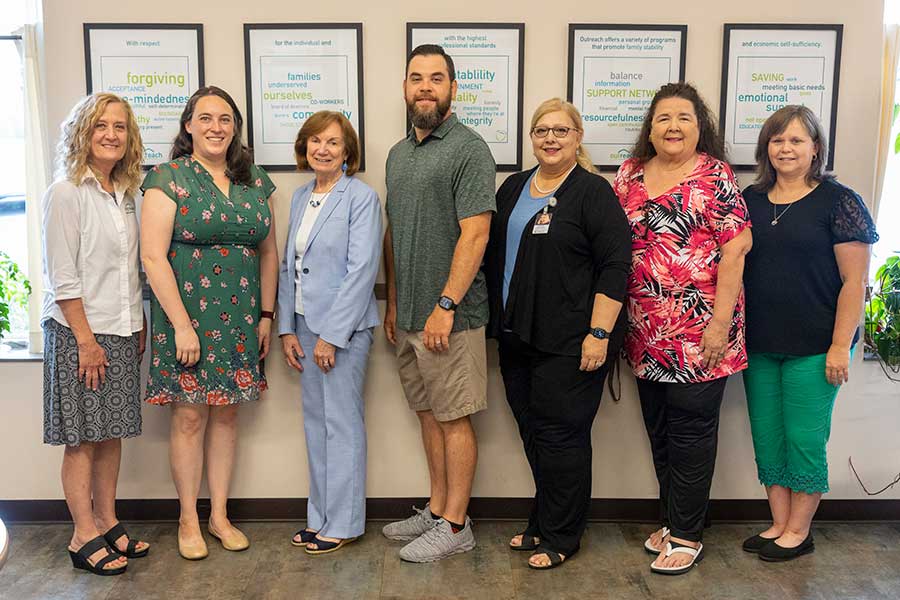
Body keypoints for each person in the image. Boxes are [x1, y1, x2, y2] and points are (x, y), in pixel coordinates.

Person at [483, 98, 631, 569]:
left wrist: (599, 333)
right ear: (531, 138)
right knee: (534, 434)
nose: (550, 138)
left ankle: (563, 535)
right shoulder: (513, 187)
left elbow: (616, 265)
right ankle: (543, 521)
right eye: (542, 130)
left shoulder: (592, 192)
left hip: (572, 341)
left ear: (577, 137)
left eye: (561, 130)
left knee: (562, 438)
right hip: (517, 337)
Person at [613, 82, 752, 575]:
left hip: (701, 332)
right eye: (664, 118)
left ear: (700, 127)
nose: (673, 127)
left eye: (684, 118)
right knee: (660, 433)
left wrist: (718, 326)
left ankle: (689, 535)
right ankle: (674, 519)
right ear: (650, 128)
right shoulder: (629, 174)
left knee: (692, 434)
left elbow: (736, 249)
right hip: (645, 332)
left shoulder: (715, 175)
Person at [140, 86, 278, 560]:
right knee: (190, 415)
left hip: (241, 317)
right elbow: (152, 256)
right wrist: (181, 325)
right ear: (188, 125)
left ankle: (219, 515)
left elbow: (269, 253)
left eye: (225, 119)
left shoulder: (255, 179)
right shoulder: (167, 178)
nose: (216, 127)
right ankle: (188, 518)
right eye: (205, 118)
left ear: (235, 127)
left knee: (228, 414)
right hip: (187, 317)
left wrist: (266, 316)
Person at [741, 105, 877, 561]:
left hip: (817, 347)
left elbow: (854, 282)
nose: (786, 148)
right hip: (759, 344)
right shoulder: (751, 199)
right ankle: (779, 523)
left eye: (796, 140)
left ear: (816, 147)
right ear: (766, 147)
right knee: (767, 437)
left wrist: (839, 345)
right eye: (777, 140)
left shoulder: (839, 201)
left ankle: (799, 531)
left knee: (804, 439)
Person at [380, 44, 496, 562]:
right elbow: (395, 233)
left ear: (452, 87)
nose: (425, 86)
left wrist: (445, 305)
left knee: (454, 418)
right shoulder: (398, 154)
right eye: (416, 78)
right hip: (409, 317)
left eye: (436, 78)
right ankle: (436, 507)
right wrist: (393, 303)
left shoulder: (469, 149)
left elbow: (476, 234)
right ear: (405, 87)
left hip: (452, 317)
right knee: (428, 414)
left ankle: (455, 525)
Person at [42, 92, 150, 575]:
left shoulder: (126, 193)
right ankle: (82, 533)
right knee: (83, 438)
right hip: (79, 333)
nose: (110, 135)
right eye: (101, 126)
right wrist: (85, 341)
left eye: (119, 127)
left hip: (121, 328)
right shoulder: (66, 191)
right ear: (82, 133)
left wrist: (137, 323)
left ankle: (106, 520)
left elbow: (130, 270)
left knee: (111, 434)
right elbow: (62, 277)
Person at [277, 111, 382, 555]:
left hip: (344, 332)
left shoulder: (361, 198)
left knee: (341, 425)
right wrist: (287, 329)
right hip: (304, 326)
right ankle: (319, 517)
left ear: (347, 152)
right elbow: (289, 267)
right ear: (305, 147)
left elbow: (362, 270)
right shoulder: (302, 197)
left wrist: (332, 336)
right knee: (316, 425)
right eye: (316, 140)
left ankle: (344, 522)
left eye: (333, 142)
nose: (323, 149)